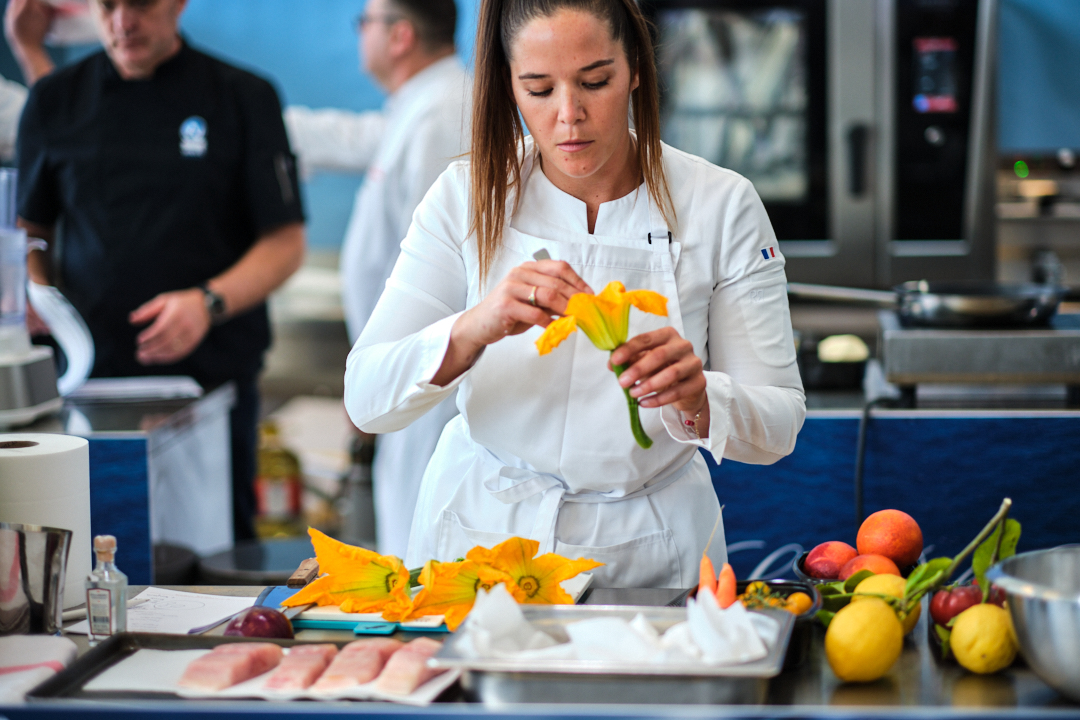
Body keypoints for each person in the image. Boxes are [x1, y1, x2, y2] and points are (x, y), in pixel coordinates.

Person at [343, 0, 806, 588]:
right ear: (508, 85)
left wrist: (700, 396)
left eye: (595, 82)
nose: (569, 116)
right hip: (480, 541)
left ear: (635, 68)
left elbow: (779, 425)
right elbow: (367, 397)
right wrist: (473, 327)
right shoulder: (466, 194)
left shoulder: (720, 204)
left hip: (650, 552)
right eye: (538, 89)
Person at [14, 0, 306, 541]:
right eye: (108, 5)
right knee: (94, 550)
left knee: (211, 560)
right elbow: (31, 229)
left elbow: (285, 242)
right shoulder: (55, 99)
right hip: (90, 391)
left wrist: (208, 302)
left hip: (209, 390)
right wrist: (39, 293)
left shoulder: (243, 96)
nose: (123, 22)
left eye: (142, 4)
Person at [285, 0, 469, 558]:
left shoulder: (442, 114)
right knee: (405, 538)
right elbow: (346, 137)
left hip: (427, 377)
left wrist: (382, 377)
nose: (360, 33)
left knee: (421, 550)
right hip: (405, 372)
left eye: (365, 21)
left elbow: (442, 276)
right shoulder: (419, 107)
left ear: (400, 36)